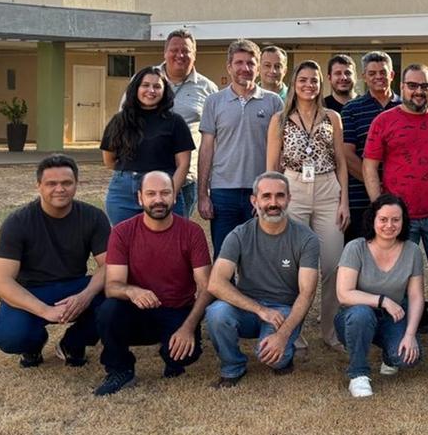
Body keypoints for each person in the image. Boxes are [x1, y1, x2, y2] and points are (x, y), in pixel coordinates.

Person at [92, 171, 212, 396]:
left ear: (174, 197)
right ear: (140, 198)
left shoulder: (191, 232)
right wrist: (131, 290)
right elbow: (112, 286)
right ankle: (120, 368)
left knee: (184, 356)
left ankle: (172, 354)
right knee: (108, 309)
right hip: (137, 311)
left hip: (177, 310)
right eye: (151, 194)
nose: (158, 200)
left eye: (165, 193)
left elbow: (206, 287)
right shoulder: (122, 232)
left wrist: (188, 328)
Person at [0, 155, 110, 369]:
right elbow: (1, 281)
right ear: (39, 186)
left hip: (74, 286)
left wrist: (85, 296)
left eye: (66, 183)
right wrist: (45, 310)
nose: (60, 189)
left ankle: (73, 343)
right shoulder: (18, 222)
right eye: (51, 183)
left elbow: (109, 265)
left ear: (76, 185)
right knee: (11, 337)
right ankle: (33, 344)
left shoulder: (93, 217)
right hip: (31, 290)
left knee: (113, 299)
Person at [204, 172, 320, 386]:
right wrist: (259, 310)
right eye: (266, 196)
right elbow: (216, 283)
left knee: (273, 359)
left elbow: (307, 293)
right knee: (216, 313)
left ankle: (286, 355)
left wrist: (283, 335)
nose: (273, 203)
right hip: (249, 308)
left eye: (280, 196)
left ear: (289, 199)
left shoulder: (307, 239)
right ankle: (232, 366)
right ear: (254, 200)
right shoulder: (239, 235)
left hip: (283, 310)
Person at [266, 60, 350, 349]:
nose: (308, 85)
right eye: (303, 80)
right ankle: (294, 329)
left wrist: (344, 202)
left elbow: (341, 162)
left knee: (332, 264)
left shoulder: (332, 118)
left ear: (320, 84)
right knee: (293, 265)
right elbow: (272, 167)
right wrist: (272, 203)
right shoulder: (280, 119)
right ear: (294, 83)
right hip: (294, 189)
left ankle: (330, 330)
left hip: (328, 189)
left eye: (314, 80)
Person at [365, 63, 428, 274]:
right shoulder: (383, 121)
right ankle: (409, 309)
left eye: (425, 86)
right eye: (412, 85)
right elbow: (370, 166)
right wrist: (379, 207)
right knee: (398, 277)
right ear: (401, 86)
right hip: (399, 215)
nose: (419, 91)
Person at [198, 39, 284, 255]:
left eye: (250, 63)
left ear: (257, 68)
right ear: (229, 66)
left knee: (261, 256)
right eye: (239, 62)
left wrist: (273, 191)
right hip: (223, 193)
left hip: (260, 192)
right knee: (224, 255)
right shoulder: (214, 102)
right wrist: (202, 195)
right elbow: (206, 149)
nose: (244, 68)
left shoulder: (274, 103)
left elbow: (281, 150)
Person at [334, 193, 424, 398]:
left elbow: (417, 296)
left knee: (407, 358)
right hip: (354, 317)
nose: (389, 225)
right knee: (361, 315)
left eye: (395, 219)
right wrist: (383, 301)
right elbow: (344, 294)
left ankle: (389, 356)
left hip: (393, 317)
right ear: (373, 219)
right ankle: (358, 374)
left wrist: (410, 335)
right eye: (383, 219)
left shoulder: (412, 251)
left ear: (404, 221)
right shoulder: (355, 247)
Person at [100, 66, 194, 225]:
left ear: (164, 91)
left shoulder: (175, 122)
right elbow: (109, 160)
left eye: (157, 86)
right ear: (136, 88)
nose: (151, 90)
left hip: (162, 190)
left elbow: (183, 164)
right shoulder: (119, 121)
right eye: (145, 85)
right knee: (124, 243)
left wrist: (170, 193)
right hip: (123, 192)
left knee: (167, 244)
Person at [340, 51, 401, 242]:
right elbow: (347, 155)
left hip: (399, 196)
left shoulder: (405, 107)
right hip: (360, 198)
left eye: (383, 72)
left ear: (392, 75)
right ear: (364, 77)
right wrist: (377, 184)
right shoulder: (351, 109)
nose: (378, 77)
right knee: (359, 253)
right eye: (372, 73)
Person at [157, 28, 218, 218]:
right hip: (148, 177)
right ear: (165, 52)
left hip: (187, 181)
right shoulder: (145, 81)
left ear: (195, 55)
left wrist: (207, 185)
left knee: (175, 238)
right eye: (174, 50)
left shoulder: (208, 89)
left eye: (186, 51)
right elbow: (126, 123)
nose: (180, 55)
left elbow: (214, 138)